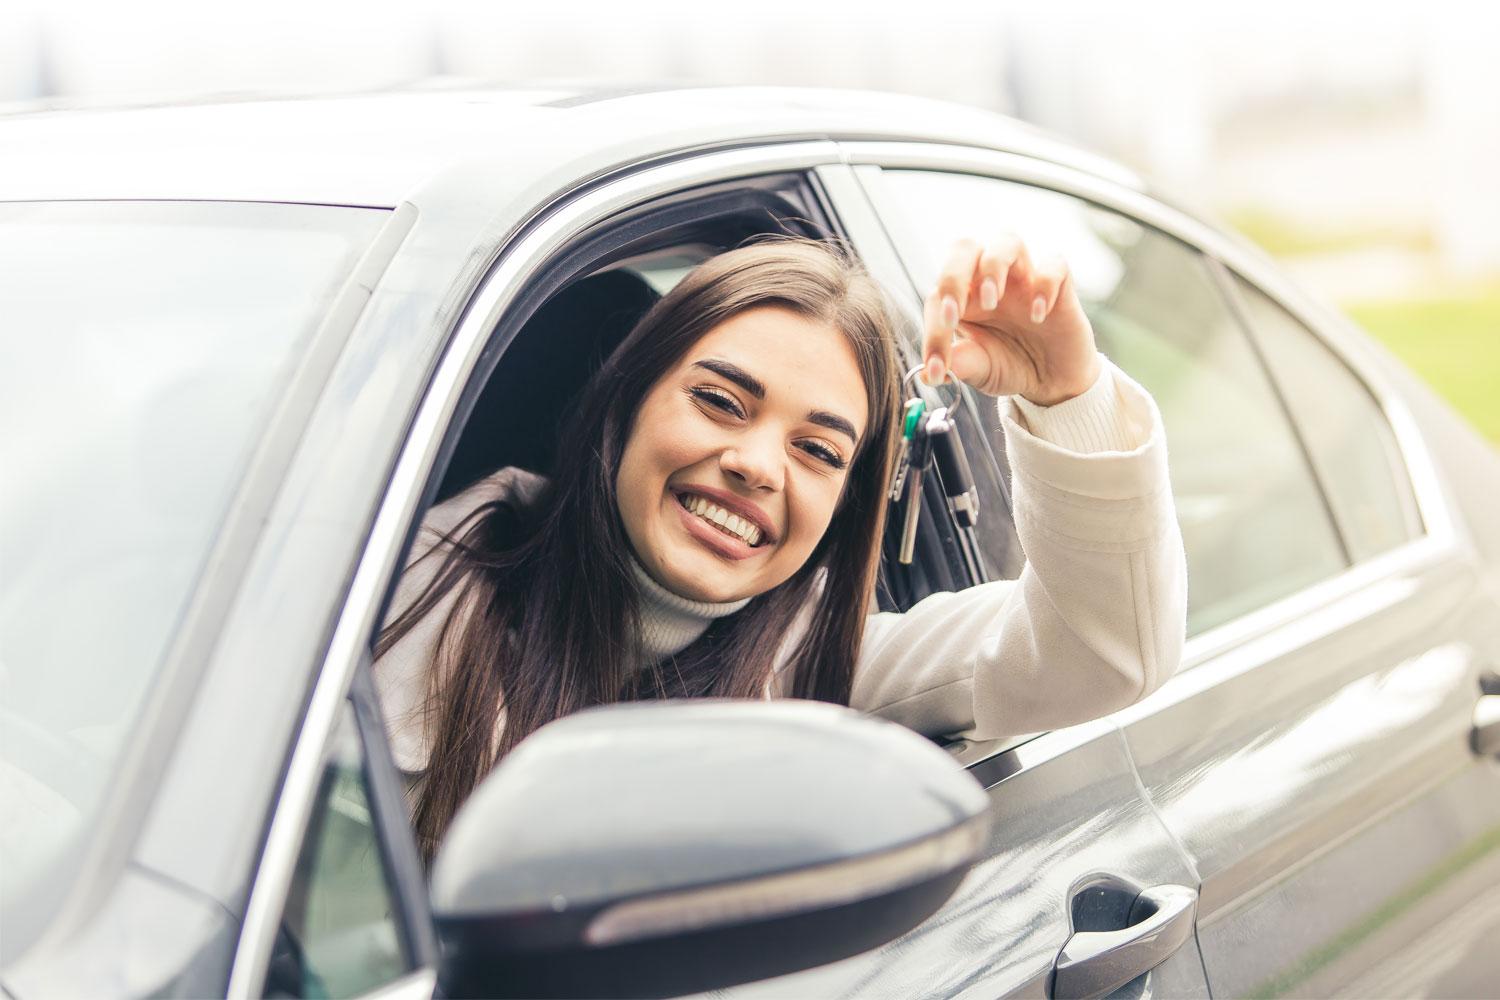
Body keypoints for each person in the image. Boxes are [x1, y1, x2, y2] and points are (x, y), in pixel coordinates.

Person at [375, 235, 1187, 861]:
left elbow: (1104, 649)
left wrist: (1069, 394)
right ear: (621, 404)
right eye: (721, 401)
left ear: (842, 506)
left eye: (820, 452)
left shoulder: (828, 674)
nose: (758, 467)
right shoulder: (379, 602)